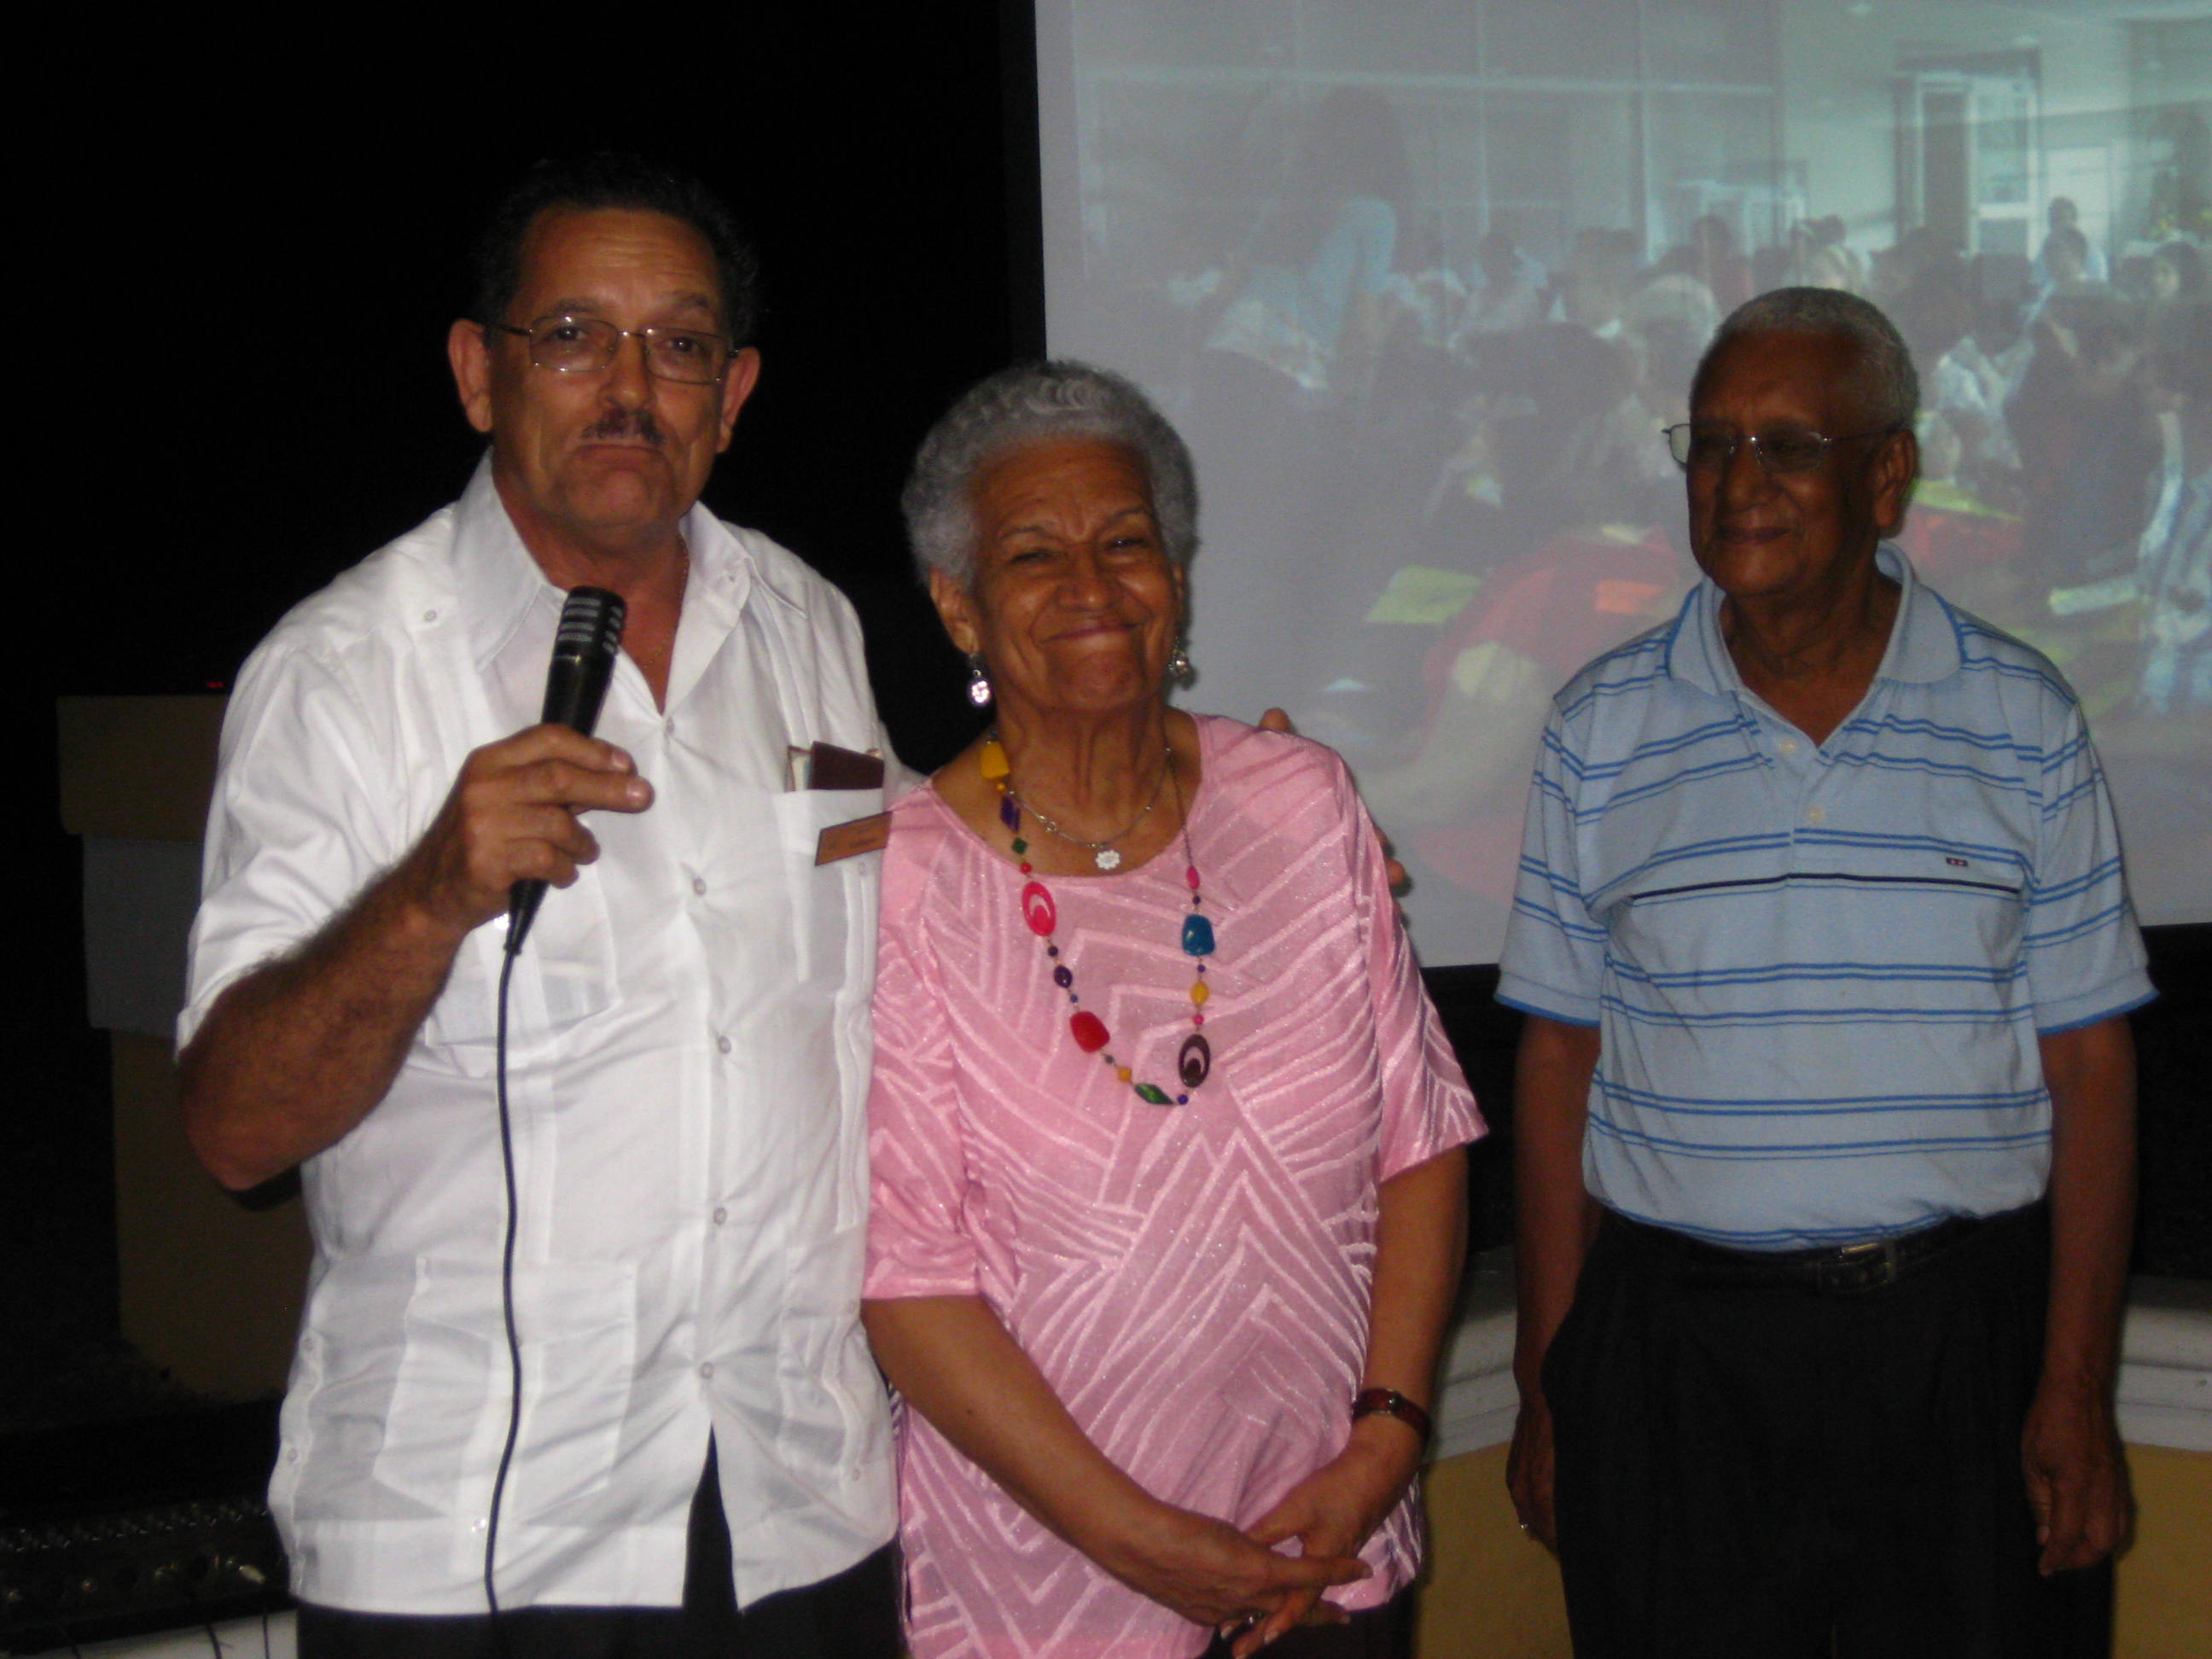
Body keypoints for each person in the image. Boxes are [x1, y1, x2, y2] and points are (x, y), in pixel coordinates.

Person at [178, 155, 899, 1656]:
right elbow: (235, 1127)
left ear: (736, 389)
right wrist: (430, 894)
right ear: (478, 373)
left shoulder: (810, 624)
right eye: (572, 334)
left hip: (799, 1503)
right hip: (474, 1538)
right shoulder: (346, 670)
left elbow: (929, 916)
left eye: (680, 344)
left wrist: (1178, 789)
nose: (630, 385)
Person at [1498, 288, 2153, 1657]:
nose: (1739, 484)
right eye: (1712, 445)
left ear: (1889, 474)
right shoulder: (1597, 727)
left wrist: (2074, 1389)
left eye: (1787, 446)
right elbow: (1560, 1056)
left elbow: (2090, 1062)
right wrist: (1550, 1378)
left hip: (1953, 1356)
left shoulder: (2022, 717)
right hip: (1676, 1363)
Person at [859, 362, 1484, 1659]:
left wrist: (1385, 1444)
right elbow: (909, 1282)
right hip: (1049, 1598)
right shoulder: (903, 881)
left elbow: (1417, 1147)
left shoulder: (1304, 804)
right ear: (958, 607)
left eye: (1126, 541)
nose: (1092, 585)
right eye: (1034, 555)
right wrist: (1142, 1543)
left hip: (1328, 1554)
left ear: (1178, 578)